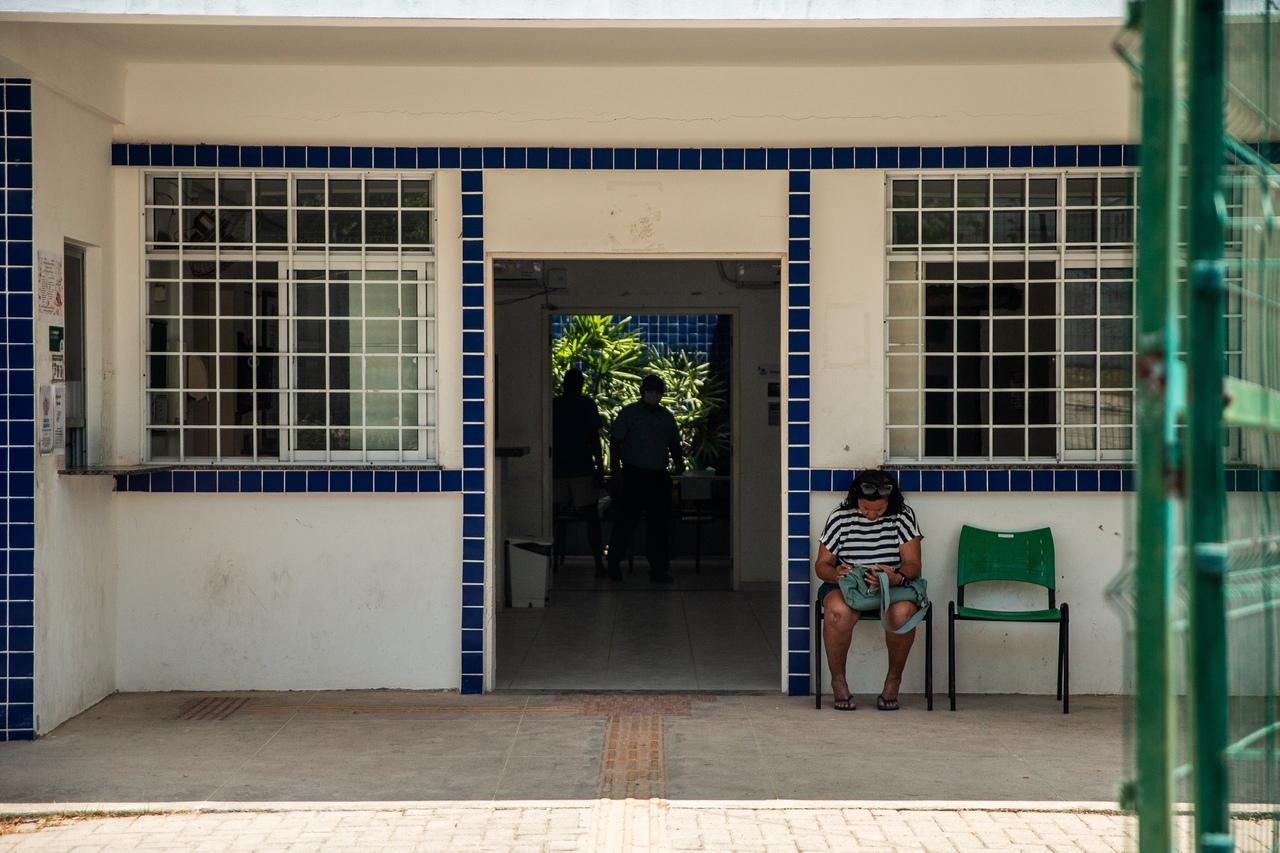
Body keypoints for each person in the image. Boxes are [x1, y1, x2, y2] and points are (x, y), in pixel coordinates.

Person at [814, 470, 923, 711]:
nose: (872, 515)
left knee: (903, 613)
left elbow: (913, 564)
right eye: (865, 509)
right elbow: (821, 565)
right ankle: (838, 681)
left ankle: (893, 681)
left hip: (891, 586)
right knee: (838, 612)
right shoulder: (840, 517)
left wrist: (895, 577)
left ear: (889, 502)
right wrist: (836, 573)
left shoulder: (903, 516)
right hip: (849, 587)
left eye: (879, 510)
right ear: (856, 499)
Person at [606, 374, 685, 583]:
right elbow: (615, 441)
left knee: (659, 525)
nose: (654, 394)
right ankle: (613, 563)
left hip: (658, 476)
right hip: (633, 475)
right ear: (642, 391)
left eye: (658, 391)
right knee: (625, 522)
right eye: (650, 390)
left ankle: (659, 569)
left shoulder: (666, 417)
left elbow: (674, 443)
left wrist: (679, 462)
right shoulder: (630, 413)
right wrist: (616, 471)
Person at [552, 368, 606, 575]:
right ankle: (598, 562)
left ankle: (549, 561)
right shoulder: (586, 404)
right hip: (581, 467)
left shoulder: (555, 405)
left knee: (553, 517)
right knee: (591, 516)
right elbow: (594, 437)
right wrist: (599, 467)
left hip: (558, 468)